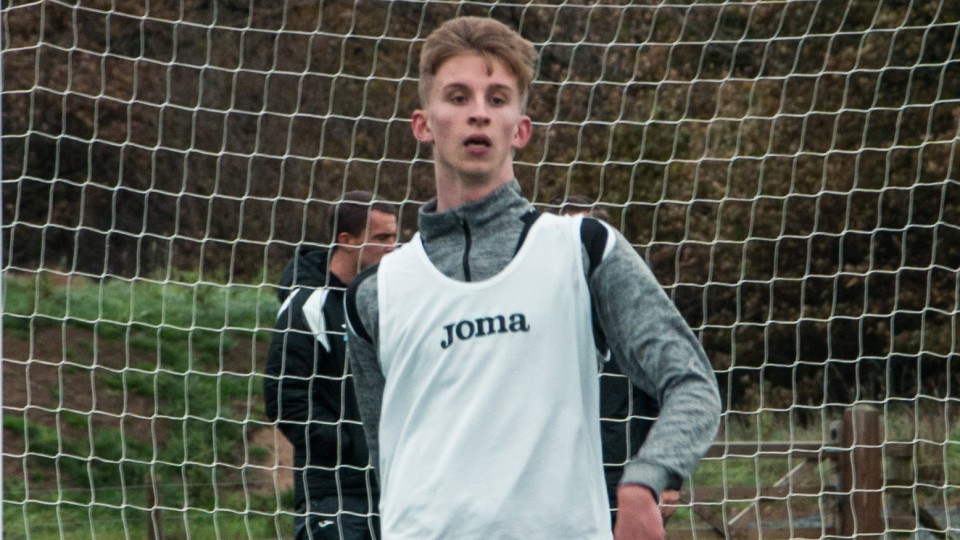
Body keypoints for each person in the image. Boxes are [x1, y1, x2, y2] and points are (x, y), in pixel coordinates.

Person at [344, 16, 720, 540]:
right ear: (423, 124)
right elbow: (388, 455)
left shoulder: (583, 250)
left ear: (520, 129)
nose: (479, 112)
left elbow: (692, 383)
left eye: (497, 99)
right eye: (458, 96)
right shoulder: (374, 292)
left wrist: (645, 479)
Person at [264, 191, 397, 540]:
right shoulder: (308, 306)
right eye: (382, 238)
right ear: (346, 240)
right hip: (335, 494)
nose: (392, 248)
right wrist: (350, 445)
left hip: (397, 489)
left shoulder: (392, 304)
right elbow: (285, 398)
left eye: (395, 238)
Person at [552, 195, 681, 526]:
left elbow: (665, 392)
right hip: (554, 479)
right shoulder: (537, 316)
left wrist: (668, 478)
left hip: (619, 476)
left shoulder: (634, 314)